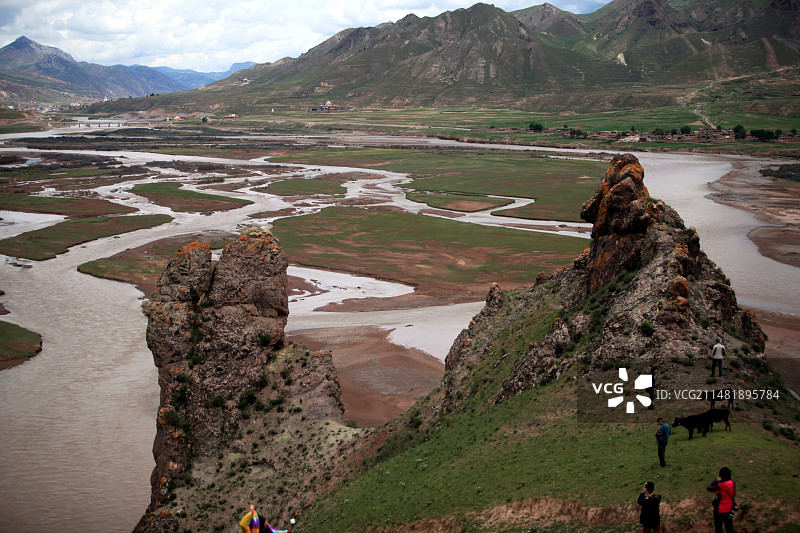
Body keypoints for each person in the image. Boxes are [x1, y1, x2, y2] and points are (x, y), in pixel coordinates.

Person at [707, 467, 736, 533]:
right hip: (728, 509)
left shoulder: (719, 485)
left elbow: (709, 488)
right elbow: (733, 495)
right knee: (729, 528)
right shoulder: (732, 483)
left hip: (719, 510)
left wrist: (715, 480)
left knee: (718, 529)